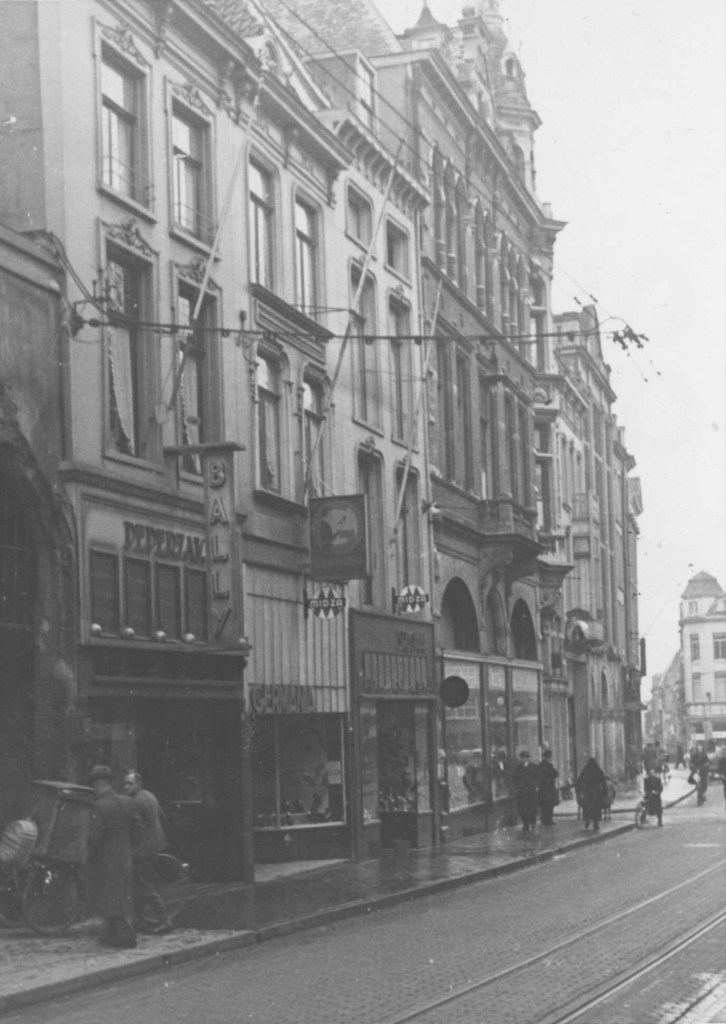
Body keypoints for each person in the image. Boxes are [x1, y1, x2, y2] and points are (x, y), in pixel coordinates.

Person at [87, 765, 141, 949]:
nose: (93, 787)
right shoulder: (128, 802)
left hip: (106, 859)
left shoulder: (99, 805)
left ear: (99, 783)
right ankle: (113, 936)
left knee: (109, 898)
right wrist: (130, 848)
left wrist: (90, 855)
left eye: (94, 783)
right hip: (125, 856)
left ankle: (125, 938)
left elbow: (96, 837)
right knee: (120, 897)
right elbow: (137, 830)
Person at [122, 770, 172, 934]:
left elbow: (132, 828)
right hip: (156, 845)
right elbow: (162, 816)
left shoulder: (135, 802)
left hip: (143, 849)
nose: (125, 787)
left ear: (138, 784)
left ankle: (164, 919)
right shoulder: (150, 796)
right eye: (125, 783)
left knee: (143, 884)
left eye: (129, 784)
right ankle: (139, 920)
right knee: (138, 883)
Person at [576, 756, 608, 831]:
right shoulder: (598, 770)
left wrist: (578, 790)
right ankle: (596, 824)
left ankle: (587, 819)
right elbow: (603, 781)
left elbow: (579, 780)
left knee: (587, 807)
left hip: (588, 792)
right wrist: (604, 791)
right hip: (596, 792)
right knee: (596, 808)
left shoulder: (585, 770)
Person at [513, 750, 539, 831]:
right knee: (522, 809)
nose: (523, 759)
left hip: (530, 792)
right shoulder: (518, 768)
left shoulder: (534, 767)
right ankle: (525, 824)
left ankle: (533, 822)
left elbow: (538, 778)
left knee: (531, 809)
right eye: (522, 758)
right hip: (521, 792)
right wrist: (516, 787)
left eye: (525, 758)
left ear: (528, 758)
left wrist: (534, 785)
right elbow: (514, 779)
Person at [537, 749, 560, 825]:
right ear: (549, 757)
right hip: (548, 788)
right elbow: (555, 774)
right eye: (550, 757)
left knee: (544, 805)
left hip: (543, 789)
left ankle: (545, 820)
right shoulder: (548, 765)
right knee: (549, 805)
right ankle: (548, 820)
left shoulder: (540, 765)